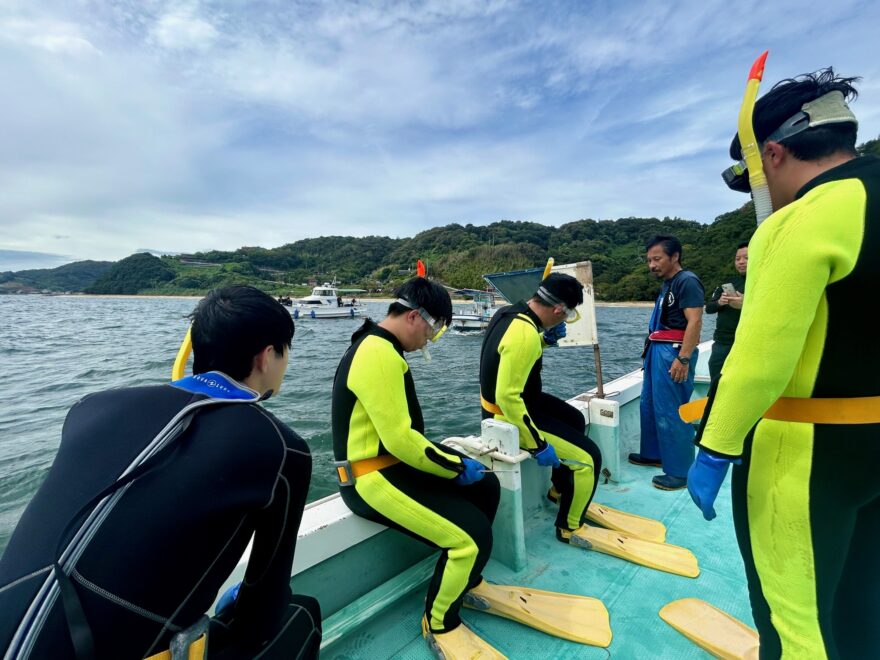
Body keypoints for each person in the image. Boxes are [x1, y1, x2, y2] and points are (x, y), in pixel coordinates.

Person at [0, 286, 321, 659]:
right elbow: (260, 618)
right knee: (302, 614)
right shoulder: (282, 448)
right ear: (267, 356)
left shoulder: (89, 407)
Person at [689, 68, 880, 658]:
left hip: (805, 452)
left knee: (794, 621)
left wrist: (715, 446)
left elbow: (759, 361)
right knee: (861, 603)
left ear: (772, 153)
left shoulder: (797, 220)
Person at [331, 277, 503, 656]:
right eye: (434, 328)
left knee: (487, 487)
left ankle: (466, 584)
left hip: (392, 464)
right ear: (414, 317)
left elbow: (404, 441)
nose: (431, 339)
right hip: (369, 477)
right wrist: (456, 468)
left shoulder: (384, 348)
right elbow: (400, 440)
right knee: (470, 539)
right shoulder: (377, 352)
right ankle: (439, 622)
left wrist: (461, 466)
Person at [479, 273, 603, 544]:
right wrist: (537, 444)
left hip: (519, 402)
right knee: (589, 459)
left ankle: (558, 491)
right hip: (510, 413)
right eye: (568, 314)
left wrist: (545, 340)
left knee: (574, 419)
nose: (565, 320)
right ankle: (570, 527)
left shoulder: (508, 313)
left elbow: (507, 353)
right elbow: (509, 397)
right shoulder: (525, 332)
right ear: (559, 309)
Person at [629, 235, 704, 490]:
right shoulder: (668, 283)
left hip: (673, 352)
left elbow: (694, 321)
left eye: (657, 258)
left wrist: (683, 358)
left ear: (675, 257)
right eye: (649, 260)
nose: (652, 264)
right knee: (649, 404)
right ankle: (653, 454)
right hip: (656, 350)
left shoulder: (687, 281)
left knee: (672, 410)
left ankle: (681, 472)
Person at [705, 242, 749, 386]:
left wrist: (745, 303)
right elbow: (709, 308)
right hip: (722, 341)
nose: (741, 262)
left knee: (741, 383)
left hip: (747, 343)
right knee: (716, 380)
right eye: (738, 259)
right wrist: (720, 302)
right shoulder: (727, 282)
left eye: (746, 258)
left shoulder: (761, 283)